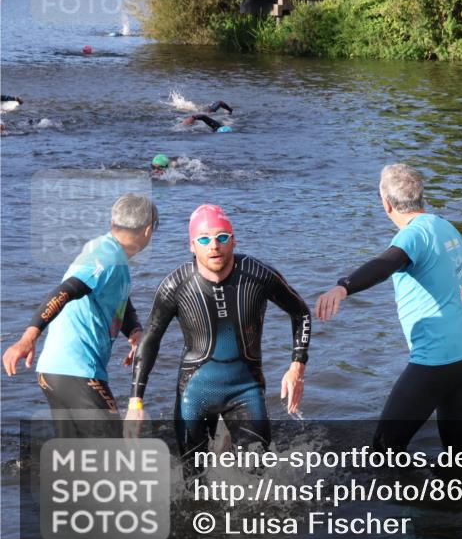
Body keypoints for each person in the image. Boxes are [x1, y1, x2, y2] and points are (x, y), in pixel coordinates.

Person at [127, 205, 312, 478]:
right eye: (204, 239)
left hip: (246, 389)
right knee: (193, 483)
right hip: (195, 393)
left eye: (222, 237)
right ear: (192, 246)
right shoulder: (175, 286)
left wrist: (297, 367)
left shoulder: (258, 275)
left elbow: (301, 313)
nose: (214, 246)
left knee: (258, 479)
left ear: (234, 240)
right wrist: (135, 403)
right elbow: (151, 340)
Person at [316, 164, 462, 456]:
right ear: (421, 197)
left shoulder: (412, 235)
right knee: (458, 451)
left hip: (437, 359)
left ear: (386, 204)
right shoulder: (445, 226)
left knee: (384, 449)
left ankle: (408, 500)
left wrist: (343, 287)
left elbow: (386, 263)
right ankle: (458, 500)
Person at [3, 194, 159, 437]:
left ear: (113, 222)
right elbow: (66, 290)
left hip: (52, 372)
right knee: (118, 455)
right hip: (78, 373)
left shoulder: (108, 252)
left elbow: (121, 299)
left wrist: (134, 330)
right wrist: (28, 337)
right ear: (148, 230)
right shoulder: (106, 258)